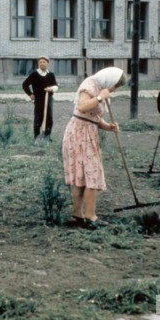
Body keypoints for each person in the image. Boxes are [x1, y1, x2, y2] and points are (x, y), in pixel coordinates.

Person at [62, 67, 127, 230]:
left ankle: (79, 215)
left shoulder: (101, 88)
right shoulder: (90, 85)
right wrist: (100, 97)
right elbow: (82, 107)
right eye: (116, 85)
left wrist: (108, 126)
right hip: (79, 134)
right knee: (91, 174)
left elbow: (94, 117)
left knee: (85, 175)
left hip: (88, 131)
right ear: (110, 80)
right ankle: (89, 216)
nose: (115, 89)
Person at [22, 56, 58, 139]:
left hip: (48, 99)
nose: (42, 63)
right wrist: (30, 94)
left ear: (47, 63)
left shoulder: (51, 74)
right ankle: (37, 137)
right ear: (38, 64)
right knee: (38, 118)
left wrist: (51, 89)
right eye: (40, 62)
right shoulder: (35, 74)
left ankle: (47, 137)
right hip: (38, 99)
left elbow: (56, 86)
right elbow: (25, 84)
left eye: (44, 62)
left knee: (49, 118)